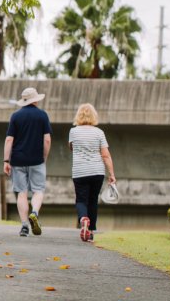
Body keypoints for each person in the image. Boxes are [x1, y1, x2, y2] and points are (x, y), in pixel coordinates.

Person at [3, 86, 51, 236]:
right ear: (35, 100)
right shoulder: (43, 115)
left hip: (18, 160)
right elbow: (47, 140)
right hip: (37, 159)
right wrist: (44, 157)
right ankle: (34, 213)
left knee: (21, 193)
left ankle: (24, 225)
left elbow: (9, 139)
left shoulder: (15, 116)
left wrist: (6, 160)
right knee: (38, 191)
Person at [68, 102, 116, 242]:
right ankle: (91, 231)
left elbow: (71, 147)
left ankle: (83, 219)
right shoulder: (99, 132)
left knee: (81, 199)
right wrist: (112, 174)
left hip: (80, 171)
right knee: (93, 200)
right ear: (94, 116)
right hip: (97, 171)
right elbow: (105, 155)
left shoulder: (73, 131)